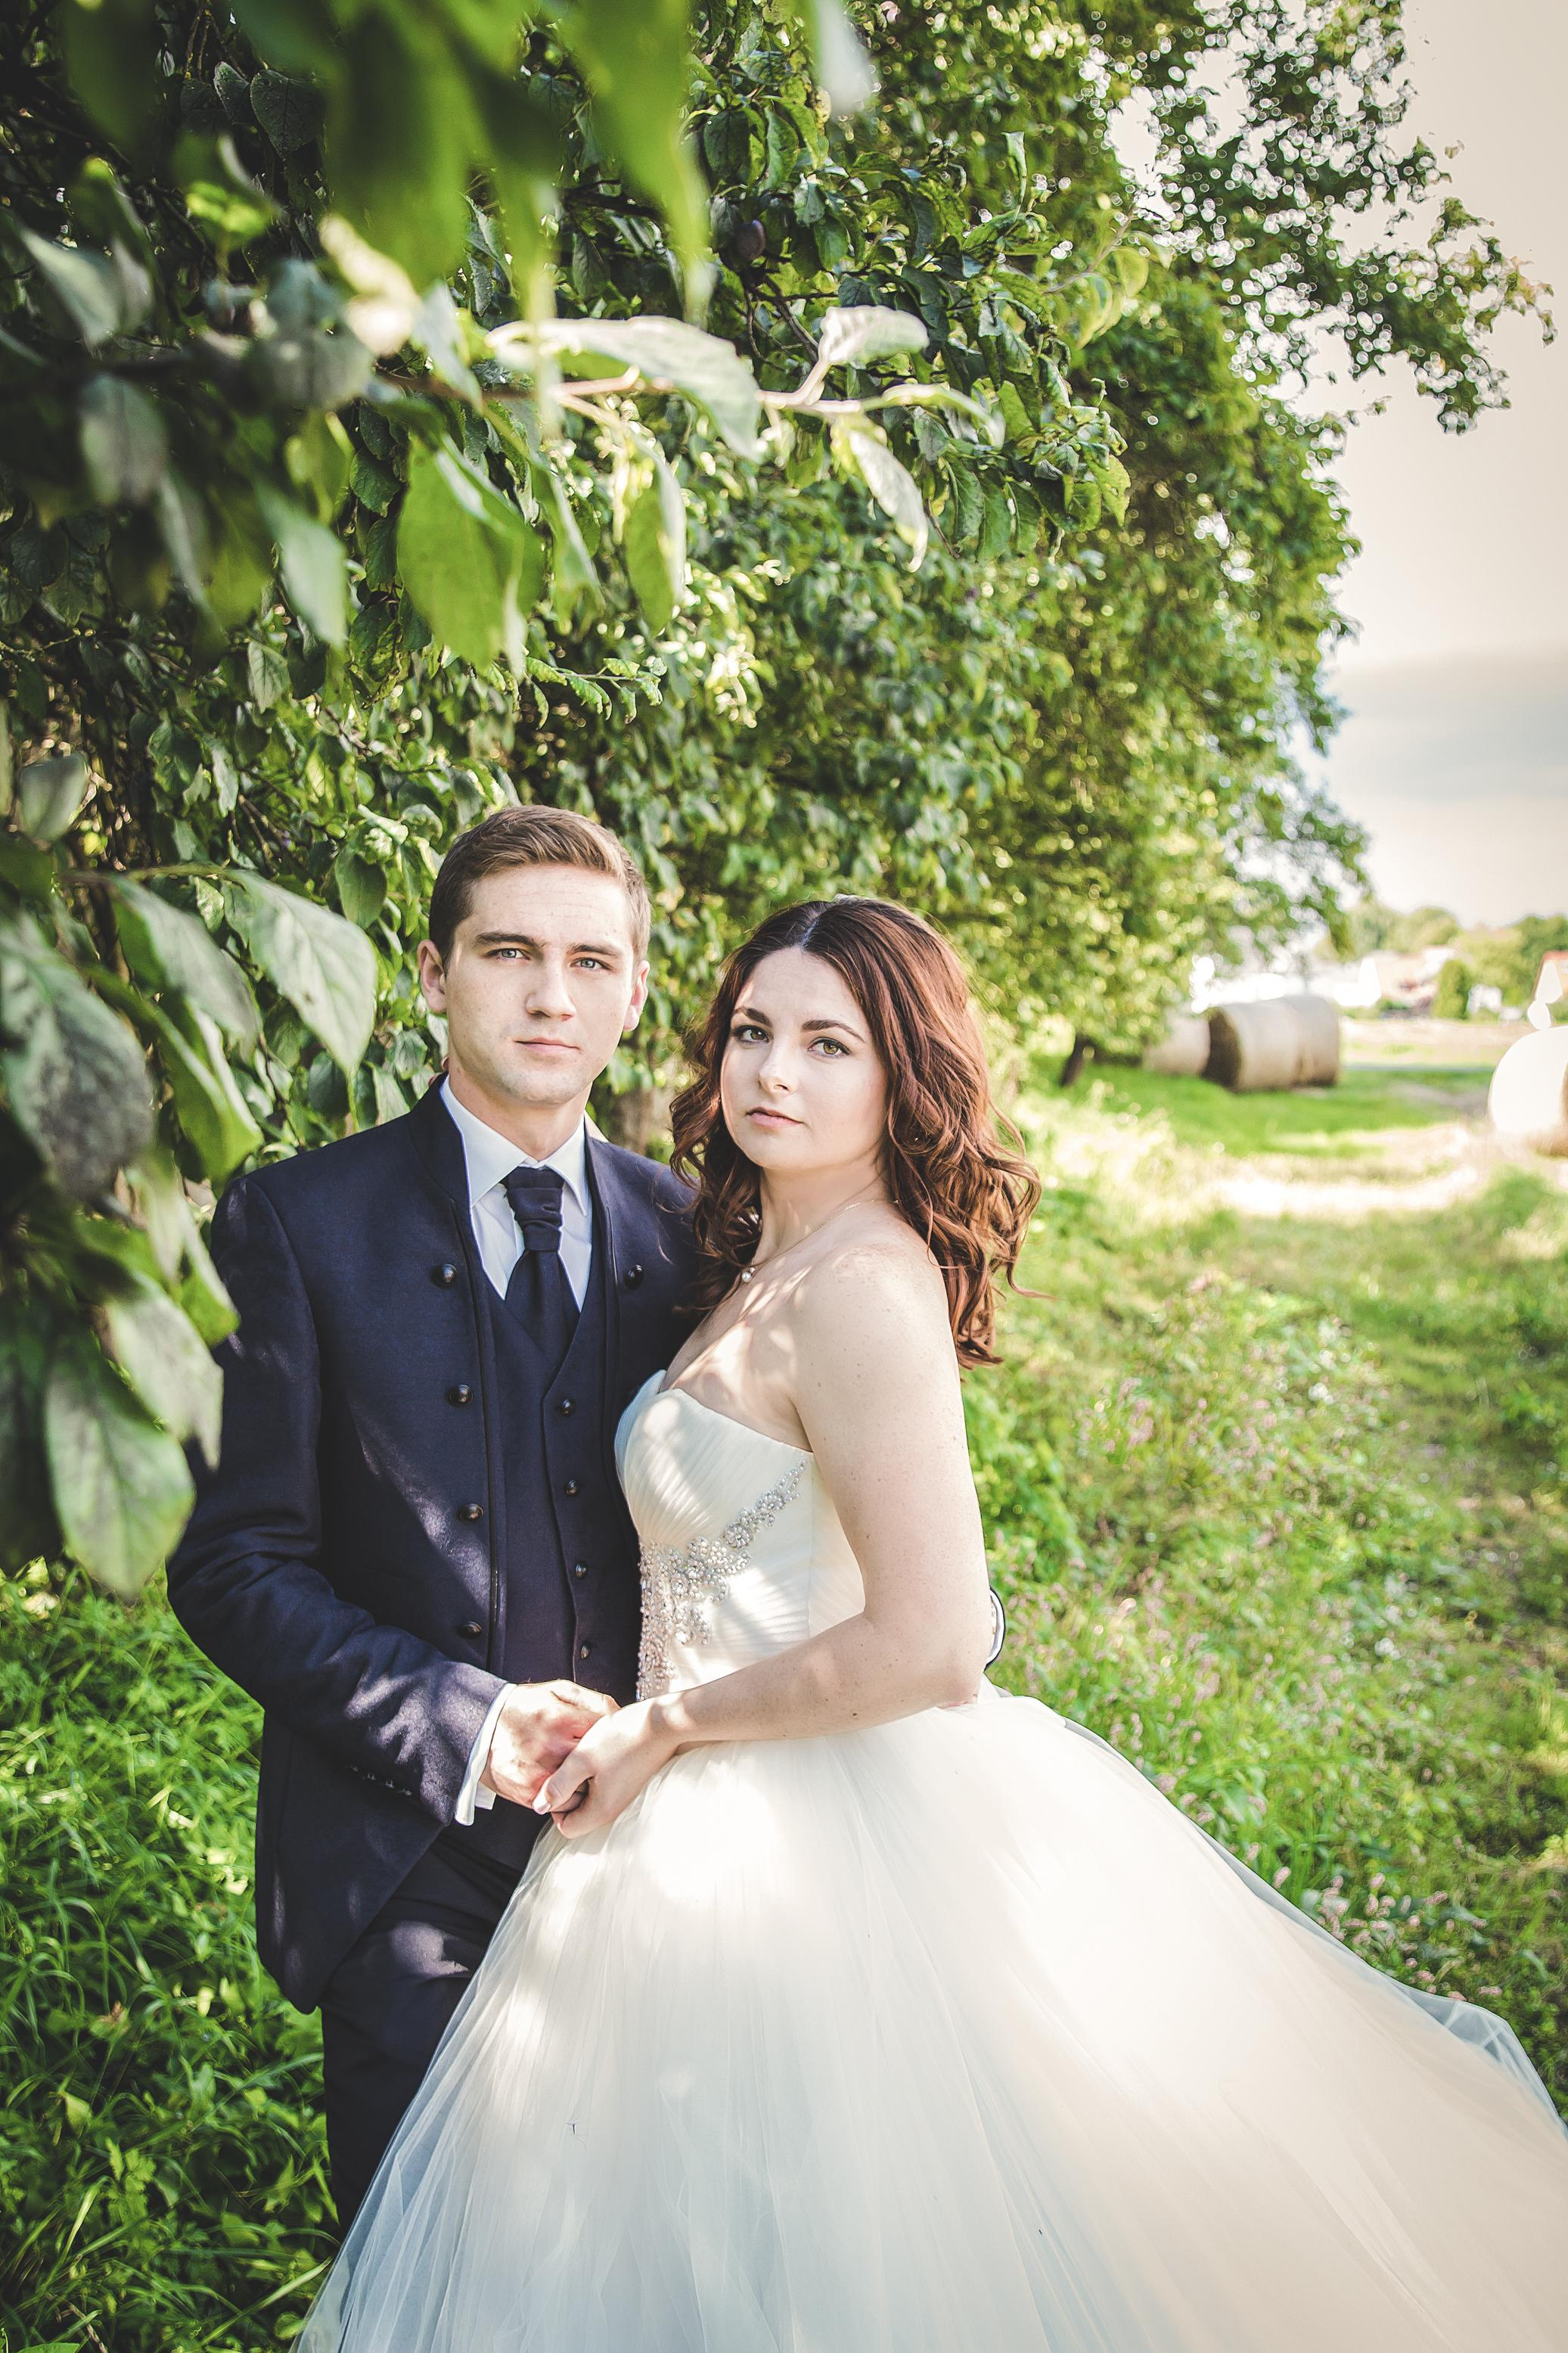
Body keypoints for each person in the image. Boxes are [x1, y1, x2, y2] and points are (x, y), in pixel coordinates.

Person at [297, 891, 1568, 2351]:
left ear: (901, 1075)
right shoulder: (746, 1260)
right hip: (684, 1815)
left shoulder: (857, 1285)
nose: (775, 1072)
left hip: (808, 1807)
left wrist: (667, 1725)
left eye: (829, 1044)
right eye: (754, 1032)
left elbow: (938, 1638)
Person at [166, 807, 697, 2227]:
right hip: (403, 1856)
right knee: (426, 2254)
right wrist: (466, 1723)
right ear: (431, 974)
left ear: (633, 993)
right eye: (508, 951)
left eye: (591, 961)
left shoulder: (689, 1232)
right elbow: (231, 1564)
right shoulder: (293, 1223)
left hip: (655, 1843)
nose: (551, 994)